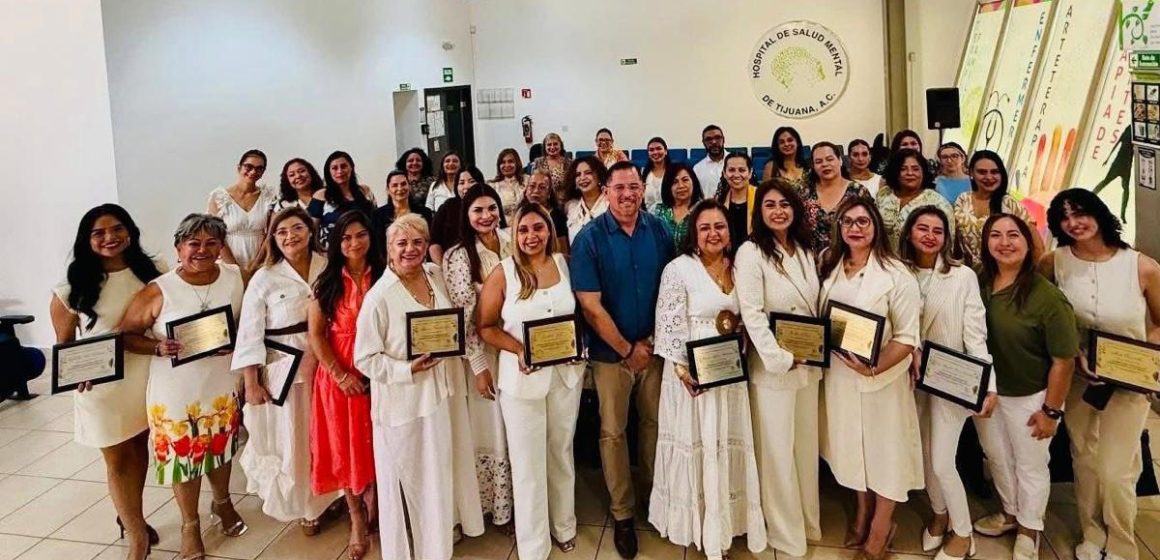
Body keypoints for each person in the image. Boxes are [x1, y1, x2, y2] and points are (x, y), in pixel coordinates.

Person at [1039, 189, 1160, 560]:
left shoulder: (1141, 266)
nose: (1074, 223)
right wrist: (1074, 355)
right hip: (1076, 378)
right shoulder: (1054, 262)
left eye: (1080, 213)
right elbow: (1048, 317)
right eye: (1064, 217)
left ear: (1098, 213)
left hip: (1128, 381)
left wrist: (1138, 358)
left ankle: (1122, 542)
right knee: (1084, 456)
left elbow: (1159, 323)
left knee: (1116, 468)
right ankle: (1091, 531)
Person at [354, 214, 484, 560]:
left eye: (418, 242)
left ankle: (440, 540)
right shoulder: (378, 297)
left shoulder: (433, 274)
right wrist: (406, 368)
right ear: (388, 249)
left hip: (443, 394)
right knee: (414, 481)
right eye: (402, 243)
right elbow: (364, 359)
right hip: (405, 403)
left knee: (440, 472)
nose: (411, 250)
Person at [118, 214, 247, 560]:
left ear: (221, 246)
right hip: (177, 390)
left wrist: (237, 342)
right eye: (194, 243)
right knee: (184, 459)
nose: (202, 250)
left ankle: (223, 503)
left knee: (221, 448)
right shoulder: (160, 289)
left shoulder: (235, 278)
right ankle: (190, 525)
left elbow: (248, 321)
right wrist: (157, 347)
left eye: (211, 243)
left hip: (221, 381)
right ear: (179, 248)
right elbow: (126, 335)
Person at [651, 199, 767, 560]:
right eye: (705, 228)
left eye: (720, 226)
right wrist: (684, 371)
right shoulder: (678, 269)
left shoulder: (740, 269)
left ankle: (726, 523)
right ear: (693, 235)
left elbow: (749, 318)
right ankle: (699, 526)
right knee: (698, 443)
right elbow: (667, 324)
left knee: (724, 441)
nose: (713, 233)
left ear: (729, 233)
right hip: (691, 376)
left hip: (730, 373)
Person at [49, 204, 165, 560]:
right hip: (100, 387)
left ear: (130, 232)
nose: (109, 238)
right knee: (116, 461)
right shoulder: (69, 290)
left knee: (138, 450)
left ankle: (132, 517)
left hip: (143, 375)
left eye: (117, 229)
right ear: (87, 240)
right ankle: (136, 537)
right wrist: (75, 374)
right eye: (99, 233)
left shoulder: (155, 272)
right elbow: (64, 347)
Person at [571, 161, 674, 559]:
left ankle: (654, 498)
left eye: (634, 187)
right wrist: (627, 349)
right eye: (620, 188)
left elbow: (672, 287)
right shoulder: (589, 238)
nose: (628, 195)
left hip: (654, 349)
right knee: (613, 432)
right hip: (611, 356)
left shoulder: (659, 230)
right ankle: (623, 513)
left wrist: (649, 342)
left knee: (654, 424)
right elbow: (591, 307)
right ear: (606, 190)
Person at [478, 202, 586, 560]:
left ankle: (564, 524)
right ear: (514, 233)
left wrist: (576, 344)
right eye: (523, 230)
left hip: (564, 376)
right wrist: (518, 348)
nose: (531, 236)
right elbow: (485, 326)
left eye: (538, 228)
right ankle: (534, 545)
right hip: (522, 383)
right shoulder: (503, 273)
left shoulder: (564, 264)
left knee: (560, 452)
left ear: (549, 230)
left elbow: (578, 315)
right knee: (527, 463)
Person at [818, 199, 923, 560]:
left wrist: (874, 366)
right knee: (852, 450)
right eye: (847, 221)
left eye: (863, 221)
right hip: (841, 379)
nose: (855, 228)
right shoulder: (830, 266)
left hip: (882, 380)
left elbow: (908, 336)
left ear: (876, 226)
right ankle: (862, 511)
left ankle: (880, 531)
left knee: (885, 454)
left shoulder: (896, 274)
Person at [974, 214, 1077, 560]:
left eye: (1013, 235)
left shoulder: (1047, 297)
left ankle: (1030, 528)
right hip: (986, 393)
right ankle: (1010, 513)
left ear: (1029, 242)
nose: (1004, 243)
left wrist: (1051, 411)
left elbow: (1064, 360)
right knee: (998, 458)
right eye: (996, 235)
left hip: (1030, 396)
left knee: (1029, 464)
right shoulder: (979, 283)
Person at [897, 207, 996, 560]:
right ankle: (939, 515)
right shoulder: (898, 271)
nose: (929, 235)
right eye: (921, 228)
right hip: (908, 378)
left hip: (951, 379)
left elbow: (976, 334)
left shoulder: (962, 276)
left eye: (937, 230)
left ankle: (964, 532)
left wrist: (987, 383)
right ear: (909, 233)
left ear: (946, 237)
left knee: (942, 460)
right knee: (923, 455)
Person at [232, 208, 339, 533]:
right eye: (282, 232)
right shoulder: (265, 279)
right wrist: (251, 382)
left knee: (327, 435)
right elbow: (249, 334)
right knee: (294, 439)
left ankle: (334, 493)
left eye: (297, 228)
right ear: (273, 239)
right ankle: (307, 505)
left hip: (328, 365)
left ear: (310, 231)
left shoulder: (328, 267)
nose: (290, 236)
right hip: (285, 371)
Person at [733, 181, 821, 557]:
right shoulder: (750, 252)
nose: (779, 211)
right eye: (770, 205)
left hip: (808, 366)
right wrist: (779, 358)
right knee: (777, 451)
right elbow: (751, 314)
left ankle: (806, 519)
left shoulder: (803, 249)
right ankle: (785, 532)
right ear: (759, 212)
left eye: (785, 204)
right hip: (774, 369)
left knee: (804, 447)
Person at [306, 210, 383, 559]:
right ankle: (356, 517)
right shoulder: (326, 283)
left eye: (360, 235)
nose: (354, 243)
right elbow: (317, 335)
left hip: (381, 374)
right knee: (347, 449)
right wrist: (340, 374)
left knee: (379, 443)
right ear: (337, 242)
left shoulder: (385, 274)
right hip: (341, 377)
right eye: (346, 237)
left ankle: (380, 504)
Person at [442, 183, 514, 533]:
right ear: (466, 216)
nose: (486, 216)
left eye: (491, 209)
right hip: (483, 352)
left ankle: (516, 504)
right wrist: (479, 366)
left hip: (515, 345)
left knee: (515, 425)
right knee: (489, 426)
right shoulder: (458, 255)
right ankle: (489, 508)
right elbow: (463, 314)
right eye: (478, 211)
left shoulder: (513, 239)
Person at [953, 150, 1043, 269]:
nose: (989, 177)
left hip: (1003, 273)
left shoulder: (1009, 203)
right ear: (971, 173)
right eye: (982, 172)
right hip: (969, 274)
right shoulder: (963, 199)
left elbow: (1038, 246)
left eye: (995, 172)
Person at [208, 149, 279, 276]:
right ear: (239, 167)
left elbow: (270, 234)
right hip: (227, 260)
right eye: (249, 166)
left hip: (260, 261)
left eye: (259, 168)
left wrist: (254, 266)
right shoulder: (218, 197)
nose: (253, 172)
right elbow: (216, 236)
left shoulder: (269, 196)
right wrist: (235, 268)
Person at [876, 148, 954, 252]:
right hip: (884, 263)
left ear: (923, 171)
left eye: (915, 169)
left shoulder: (938, 202)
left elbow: (947, 244)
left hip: (921, 265)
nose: (910, 173)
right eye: (903, 169)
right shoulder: (883, 194)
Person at [803, 142, 872, 253]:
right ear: (813, 166)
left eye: (830, 159)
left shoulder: (858, 192)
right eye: (818, 161)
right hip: (812, 261)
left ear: (840, 161)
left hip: (850, 259)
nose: (825, 164)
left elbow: (870, 228)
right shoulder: (804, 193)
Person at [309, 150, 376, 250]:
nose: (339, 171)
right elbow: (312, 229)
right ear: (329, 171)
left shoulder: (365, 191)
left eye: (343, 166)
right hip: (332, 251)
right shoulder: (321, 195)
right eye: (334, 168)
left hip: (363, 247)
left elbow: (374, 220)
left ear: (351, 168)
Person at [430, 166, 498, 264]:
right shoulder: (447, 207)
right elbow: (434, 242)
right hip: (452, 263)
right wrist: (443, 268)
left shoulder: (489, 206)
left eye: (471, 181)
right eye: (461, 183)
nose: (466, 186)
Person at [650, 162, 703, 249]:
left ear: (693, 182)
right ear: (668, 186)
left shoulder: (703, 210)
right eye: (675, 182)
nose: (681, 186)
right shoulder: (657, 211)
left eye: (685, 180)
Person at [372, 170, 434, 244]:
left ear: (409, 187)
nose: (400, 188)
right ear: (388, 190)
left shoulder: (424, 213)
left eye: (403, 184)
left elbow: (429, 240)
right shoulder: (378, 215)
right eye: (395, 185)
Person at [715, 152, 757, 255]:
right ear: (724, 173)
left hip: (756, 256)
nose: (736, 175)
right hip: (727, 257)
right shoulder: (719, 200)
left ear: (750, 173)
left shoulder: (761, 197)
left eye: (742, 170)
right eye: (731, 170)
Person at [522, 170, 570, 254]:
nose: (536, 191)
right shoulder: (519, 214)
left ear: (549, 194)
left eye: (542, 187)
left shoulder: (558, 217)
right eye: (532, 186)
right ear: (525, 191)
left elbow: (563, 252)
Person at [563, 156, 609, 243]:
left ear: (599, 176)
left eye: (588, 173)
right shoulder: (572, 209)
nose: (582, 178)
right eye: (578, 175)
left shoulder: (612, 205)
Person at [530, 132, 573, 203]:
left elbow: (572, 186)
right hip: (542, 200)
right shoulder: (538, 162)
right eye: (549, 145)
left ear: (561, 146)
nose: (552, 147)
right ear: (545, 147)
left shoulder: (569, 163)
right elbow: (533, 183)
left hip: (564, 201)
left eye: (555, 144)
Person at [489, 148, 527, 224]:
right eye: (503, 162)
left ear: (517, 163)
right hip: (503, 228)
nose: (507, 165)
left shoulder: (528, 181)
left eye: (510, 161)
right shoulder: (492, 186)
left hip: (525, 223)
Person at [693, 125, 727, 192]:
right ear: (703, 143)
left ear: (723, 140)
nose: (714, 142)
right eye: (708, 139)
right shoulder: (697, 169)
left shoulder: (738, 162)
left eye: (717, 138)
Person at [640, 136, 671, 211]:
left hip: (670, 218)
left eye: (658, 148)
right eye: (651, 150)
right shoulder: (643, 172)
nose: (655, 152)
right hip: (648, 218)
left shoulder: (674, 171)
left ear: (666, 151)